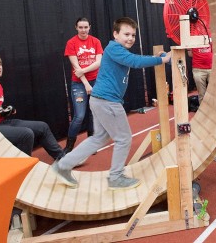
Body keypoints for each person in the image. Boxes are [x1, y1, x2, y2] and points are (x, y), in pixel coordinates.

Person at [52, 17, 172, 190]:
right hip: (108, 102)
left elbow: (134, 58)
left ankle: (62, 166)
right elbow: (135, 61)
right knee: (123, 139)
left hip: (100, 100)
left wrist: (155, 57)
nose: (130, 38)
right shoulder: (114, 48)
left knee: (98, 138)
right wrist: (161, 60)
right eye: (126, 34)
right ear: (115, 34)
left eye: (133, 35)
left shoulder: (119, 50)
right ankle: (115, 177)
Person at [0, 53, 64, 160]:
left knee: (42, 127)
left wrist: (5, 111)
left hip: (1, 123)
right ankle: (24, 168)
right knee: (26, 134)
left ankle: (63, 159)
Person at [63, 17, 103, 154]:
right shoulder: (71, 43)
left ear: (89, 27)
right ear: (76, 28)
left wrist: (84, 70)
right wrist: (86, 84)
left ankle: (91, 145)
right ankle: (69, 146)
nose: (83, 30)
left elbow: (99, 62)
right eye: (80, 27)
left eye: (86, 27)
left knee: (94, 112)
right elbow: (76, 67)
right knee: (79, 116)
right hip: (79, 83)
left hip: (96, 81)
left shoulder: (96, 41)